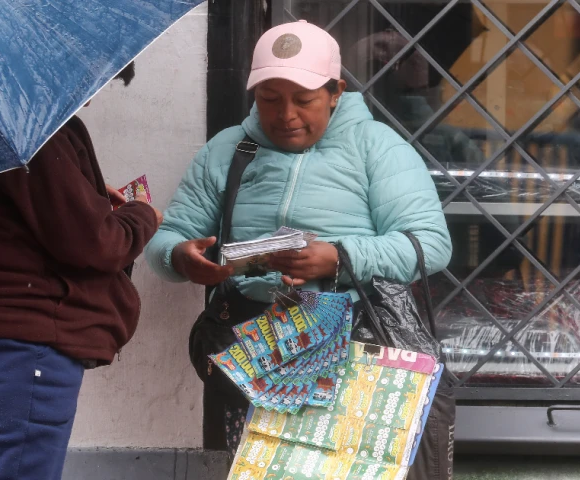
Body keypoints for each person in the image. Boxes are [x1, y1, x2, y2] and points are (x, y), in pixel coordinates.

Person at [144, 20, 453, 475]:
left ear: (336, 92)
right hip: (249, 350)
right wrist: (181, 258)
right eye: (269, 98)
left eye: (304, 100)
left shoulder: (377, 148)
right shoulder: (229, 150)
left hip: (353, 348)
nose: (285, 114)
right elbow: (167, 238)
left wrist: (340, 257)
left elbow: (430, 245)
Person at [0, 63, 162, 480]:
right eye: (88, 79)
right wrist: (143, 215)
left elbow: (15, 221)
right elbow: (96, 241)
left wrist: (82, 196)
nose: (89, 97)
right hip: (22, 348)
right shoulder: (27, 128)